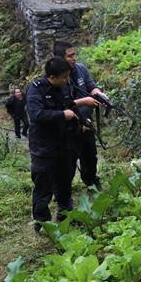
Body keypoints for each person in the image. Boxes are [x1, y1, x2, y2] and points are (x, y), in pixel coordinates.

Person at [26, 57, 97, 231]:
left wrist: (81, 121)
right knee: (43, 187)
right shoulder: (36, 90)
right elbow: (36, 115)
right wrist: (61, 115)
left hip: (66, 144)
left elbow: (69, 105)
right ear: (52, 76)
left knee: (65, 182)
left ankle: (66, 215)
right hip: (44, 148)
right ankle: (43, 223)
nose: (67, 80)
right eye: (64, 77)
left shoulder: (64, 87)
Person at [53, 40, 104, 190]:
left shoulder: (81, 69)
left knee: (90, 156)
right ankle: (63, 192)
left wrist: (99, 95)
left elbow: (91, 87)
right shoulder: (55, 77)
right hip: (68, 127)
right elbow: (60, 103)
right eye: (70, 56)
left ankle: (92, 183)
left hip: (86, 123)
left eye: (74, 54)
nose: (74, 58)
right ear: (60, 58)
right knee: (67, 161)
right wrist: (84, 101)